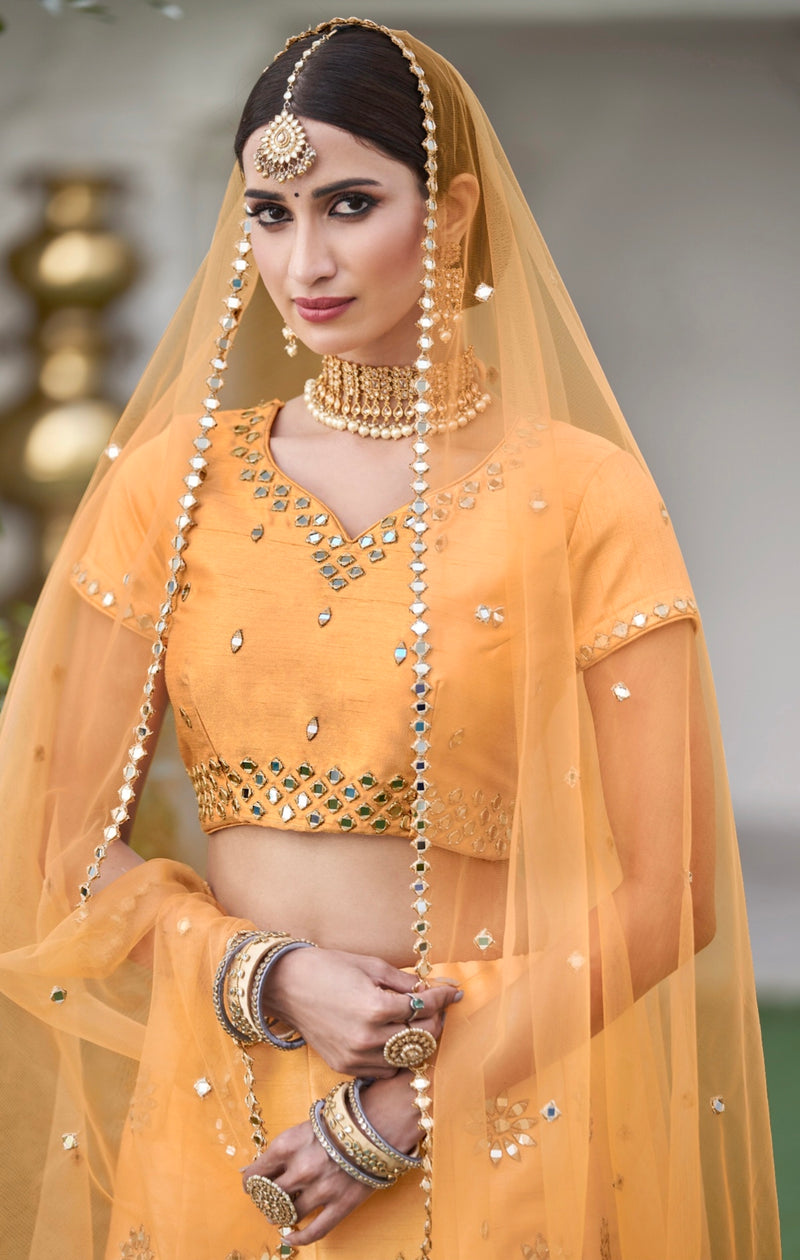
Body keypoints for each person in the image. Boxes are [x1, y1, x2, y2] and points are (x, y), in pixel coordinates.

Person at [0, 17, 781, 1260]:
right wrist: (265, 976)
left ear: (451, 209)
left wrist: (397, 1111)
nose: (302, 258)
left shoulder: (580, 494)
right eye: (269, 213)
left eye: (349, 204)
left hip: (491, 1111)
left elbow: (668, 893)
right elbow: (58, 846)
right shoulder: (172, 486)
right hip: (223, 1108)